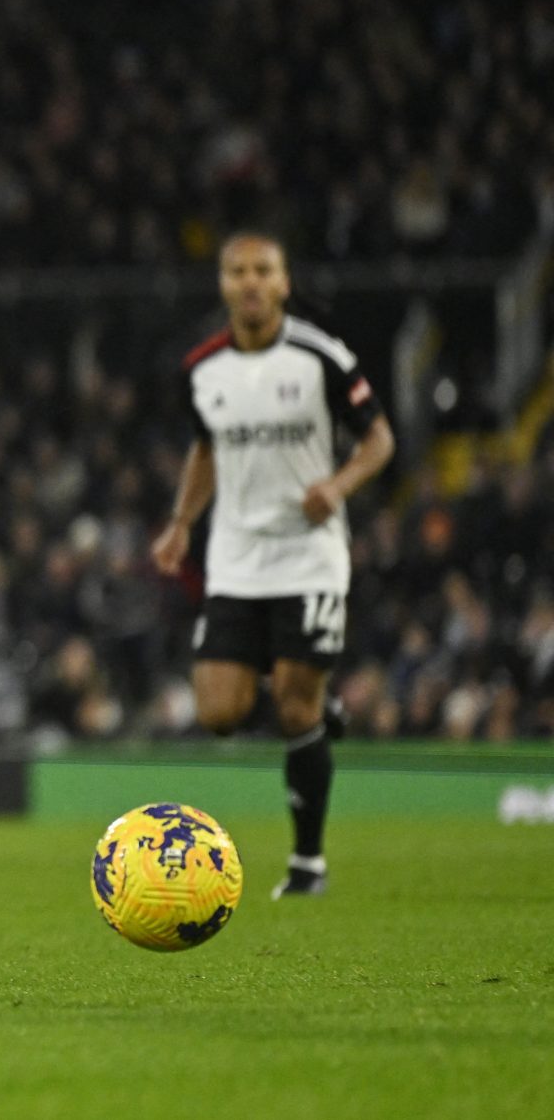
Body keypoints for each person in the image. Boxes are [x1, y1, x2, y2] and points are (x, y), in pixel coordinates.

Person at [150, 231, 395, 899]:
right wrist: (180, 524)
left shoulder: (321, 356)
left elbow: (379, 438)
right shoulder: (202, 367)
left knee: (291, 709)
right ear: (224, 284)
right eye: (238, 271)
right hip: (235, 559)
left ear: (285, 283)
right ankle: (314, 704)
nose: (251, 282)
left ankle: (307, 864)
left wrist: (338, 488)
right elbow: (206, 451)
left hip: (308, 557)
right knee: (219, 712)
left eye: (264, 270)